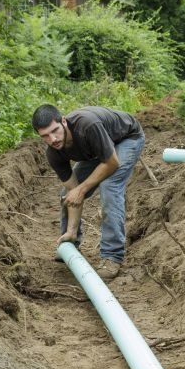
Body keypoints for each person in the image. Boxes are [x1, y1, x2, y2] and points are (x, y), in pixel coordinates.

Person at [32, 104, 145, 281]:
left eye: (55, 131)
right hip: (100, 148)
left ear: (64, 121)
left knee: (109, 187)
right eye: (45, 136)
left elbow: (111, 163)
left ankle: (112, 256)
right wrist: (71, 230)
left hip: (126, 138)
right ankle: (70, 241)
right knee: (67, 195)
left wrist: (82, 189)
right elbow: (72, 190)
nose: (53, 139)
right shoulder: (54, 154)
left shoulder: (87, 126)